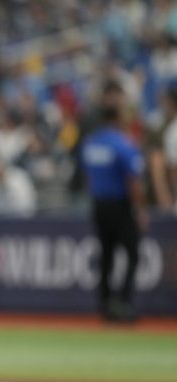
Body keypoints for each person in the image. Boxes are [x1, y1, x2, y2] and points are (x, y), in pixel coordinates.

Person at [80, 80, 148, 323]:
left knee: (106, 255)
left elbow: (87, 177)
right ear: (118, 119)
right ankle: (124, 301)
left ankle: (105, 303)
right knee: (132, 253)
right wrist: (139, 208)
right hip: (120, 205)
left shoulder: (91, 143)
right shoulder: (123, 144)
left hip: (98, 204)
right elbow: (134, 181)